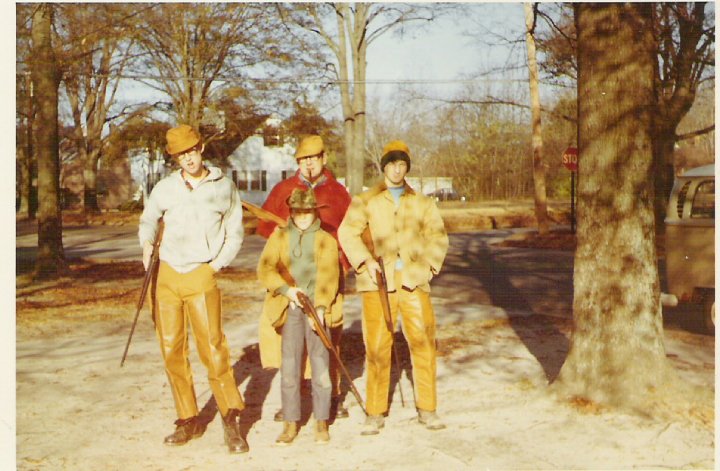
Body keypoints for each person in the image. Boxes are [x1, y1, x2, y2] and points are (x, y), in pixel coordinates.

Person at [138, 124, 248, 453]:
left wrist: (215, 265)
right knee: (172, 349)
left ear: (201, 148)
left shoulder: (223, 187)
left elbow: (235, 231)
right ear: (175, 159)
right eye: (180, 155)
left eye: (191, 151)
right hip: (167, 274)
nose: (187, 158)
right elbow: (148, 219)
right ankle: (189, 419)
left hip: (201, 272)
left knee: (213, 348)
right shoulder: (165, 189)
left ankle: (231, 420)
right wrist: (146, 243)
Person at [338, 140, 449, 435]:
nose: (397, 170)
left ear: (407, 168)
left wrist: (425, 268)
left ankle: (428, 409)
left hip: (413, 283)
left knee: (423, 343)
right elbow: (347, 232)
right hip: (377, 284)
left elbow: (438, 238)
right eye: (392, 164)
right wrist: (365, 261)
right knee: (376, 346)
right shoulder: (366, 200)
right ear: (384, 166)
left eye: (402, 165)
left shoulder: (422, 202)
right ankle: (375, 412)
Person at [256, 135, 352, 419]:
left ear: (323, 158)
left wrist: (342, 265)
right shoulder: (284, 189)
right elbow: (265, 228)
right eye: (303, 159)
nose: (309, 163)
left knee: (327, 336)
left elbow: (349, 232)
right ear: (297, 162)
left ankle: (331, 396)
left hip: (326, 275)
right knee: (289, 340)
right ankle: (292, 401)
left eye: (314, 157)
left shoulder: (337, 192)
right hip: (291, 279)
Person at [257, 188, 340, 445]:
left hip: (317, 309)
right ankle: (291, 422)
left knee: (320, 365)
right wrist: (286, 290)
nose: (303, 217)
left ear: (314, 211)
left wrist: (323, 307)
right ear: (291, 212)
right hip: (290, 306)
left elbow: (329, 276)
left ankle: (321, 421)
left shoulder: (326, 239)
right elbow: (266, 268)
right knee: (290, 366)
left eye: (307, 212)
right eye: (298, 212)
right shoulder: (279, 237)